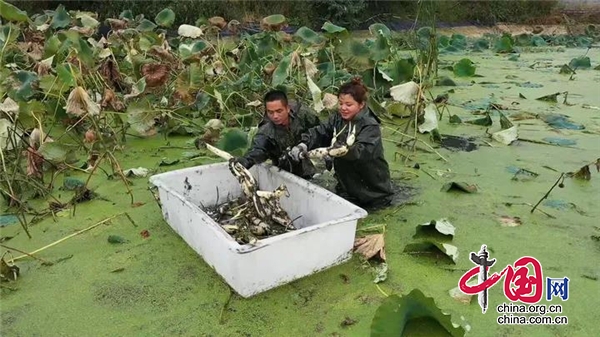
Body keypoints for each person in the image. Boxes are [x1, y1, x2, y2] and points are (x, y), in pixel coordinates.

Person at [289, 77, 394, 210]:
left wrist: (338, 151)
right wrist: (303, 144)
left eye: (349, 105)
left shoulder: (370, 126)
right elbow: (320, 132)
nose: (343, 108)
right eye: (340, 103)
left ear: (361, 105)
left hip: (373, 190)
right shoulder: (337, 119)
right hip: (346, 186)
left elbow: (362, 152)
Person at [231, 90, 321, 179]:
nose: (275, 116)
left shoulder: (303, 114)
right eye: (270, 112)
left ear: (287, 108)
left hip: (314, 158)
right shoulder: (266, 131)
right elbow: (258, 149)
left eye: (279, 111)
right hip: (287, 170)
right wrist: (245, 161)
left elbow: (321, 130)